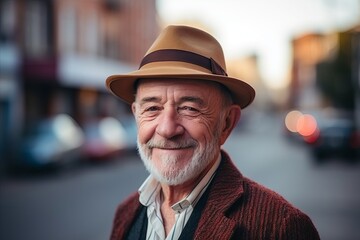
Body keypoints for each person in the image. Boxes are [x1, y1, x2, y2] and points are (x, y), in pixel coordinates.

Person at [106, 25, 320, 240]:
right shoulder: (126, 214)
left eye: (189, 108)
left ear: (227, 123)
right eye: (152, 108)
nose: (167, 129)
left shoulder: (281, 227)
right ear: (136, 115)